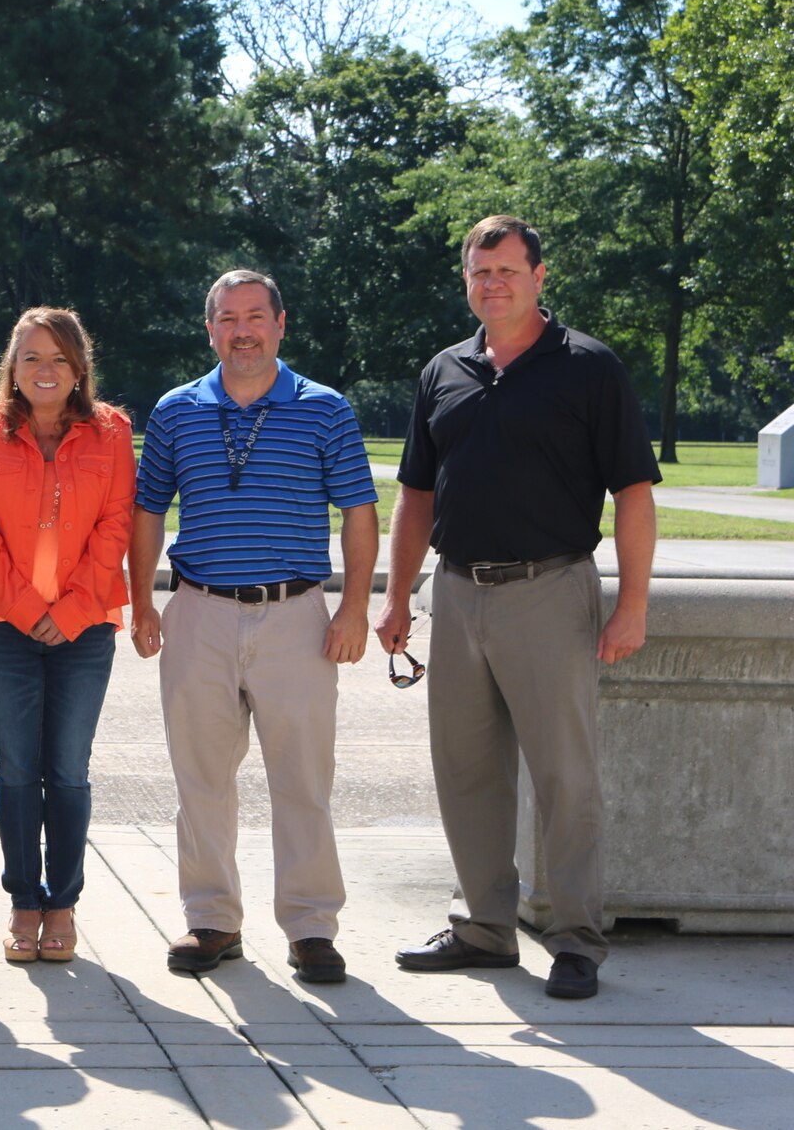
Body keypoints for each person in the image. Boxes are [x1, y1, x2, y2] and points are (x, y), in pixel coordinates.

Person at [377, 215, 658, 1002]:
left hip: (551, 589)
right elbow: (415, 495)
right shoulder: (444, 370)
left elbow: (633, 493)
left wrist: (631, 603)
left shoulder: (590, 368)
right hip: (457, 589)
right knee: (466, 770)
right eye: (478, 270)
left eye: (506, 269)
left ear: (540, 275)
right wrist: (397, 596)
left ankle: (575, 939)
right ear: (465, 279)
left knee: (564, 774)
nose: (491, 282)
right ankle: (484, 929)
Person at [128, 270, 379, 985]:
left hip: (296, 614)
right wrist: (142, 602)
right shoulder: (177, 411)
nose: (242, 329)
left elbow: (359, 513)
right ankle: (211, 918)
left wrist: (354, 606)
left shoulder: (325, 409)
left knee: (302, 778)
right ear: (210, 329)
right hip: (199, 610)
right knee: (201, 777)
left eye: (255, 316)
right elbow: (148, 510)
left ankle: (310, 927)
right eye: (227, 318)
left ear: (280, 323)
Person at [0, 308, 137, 964]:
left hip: (85, 628)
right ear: (13, 366)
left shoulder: (111, 432)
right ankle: (22, 904)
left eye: (58, 358)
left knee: (66, 771)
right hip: (3, 625)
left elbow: (116, 527)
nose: (45, 370)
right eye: (31, 357)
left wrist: (73, 608)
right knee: (15, 772)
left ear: (79, 367)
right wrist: (29, 606)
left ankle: (61, 904)